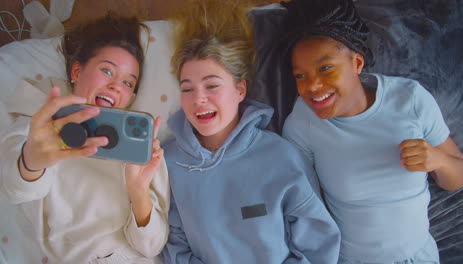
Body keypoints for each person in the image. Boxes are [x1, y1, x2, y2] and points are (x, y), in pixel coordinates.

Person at [280, 0, 463, 263]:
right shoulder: (303, 122)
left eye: (325, 68)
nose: (313, 85)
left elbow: (457, 178)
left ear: (356, 62)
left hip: (418, 257)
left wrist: (437, 160)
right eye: (300, 76)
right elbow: (299, 203)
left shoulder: (410, 99)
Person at [160, 0, 340, 263]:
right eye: (187, 89)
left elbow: (318, 243)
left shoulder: (280, 156)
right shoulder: (168, 161)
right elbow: (175, 244)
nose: (198, 98)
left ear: (240, 90)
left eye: (211, 86)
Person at [0, 14, 170, 264]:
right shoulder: (37, 127)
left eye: (127, 82)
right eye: (106, 70)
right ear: (77, 71)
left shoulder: (141, 147)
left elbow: (151, 246)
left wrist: (137, 191)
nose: (115, 86)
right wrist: (32, 161)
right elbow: (17, 190)